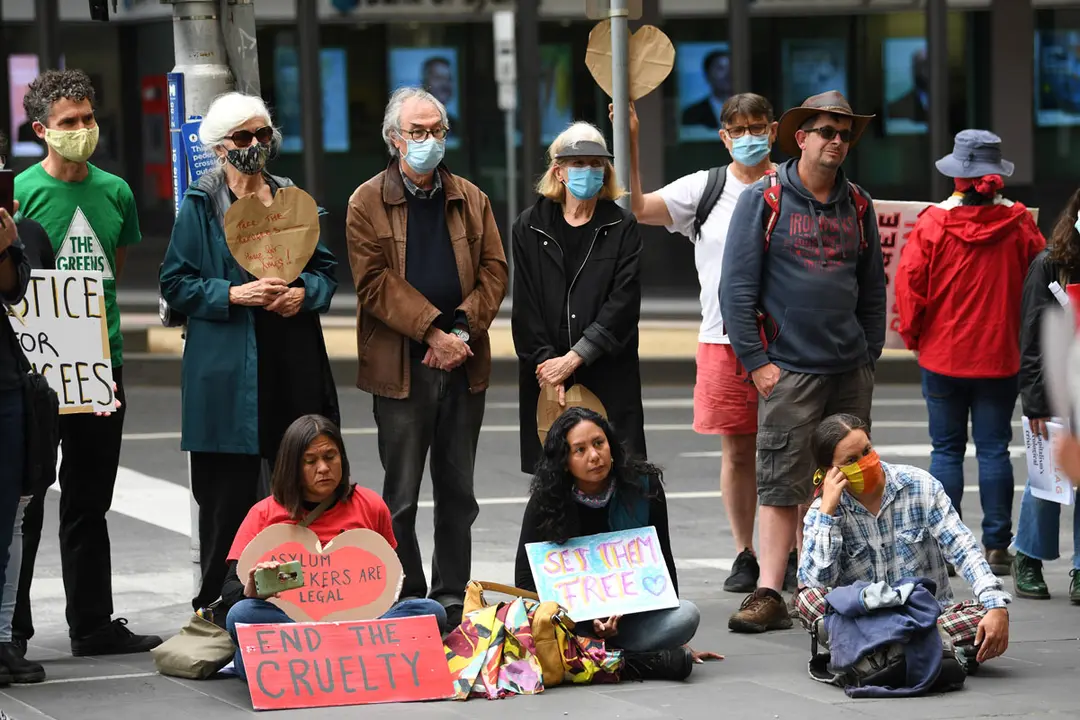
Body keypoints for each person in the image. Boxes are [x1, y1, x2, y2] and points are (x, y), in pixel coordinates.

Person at [160, 92, 341, 614]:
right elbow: (175, 282)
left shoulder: (290, 196)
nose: (256, 145)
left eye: (263, 134)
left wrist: (303, 293)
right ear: (220, 147)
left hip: (291, 356)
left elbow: (326, 271)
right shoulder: (201, 202)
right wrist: (233, 294)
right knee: (227, 495)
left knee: (304, 478)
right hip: (227, 368)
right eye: (244, 137)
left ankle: (305, 591)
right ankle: (218, 604)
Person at [614, 93, 795, 594]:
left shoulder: (794, 185)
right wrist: (630, 136)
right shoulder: (707, 188)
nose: (748, 137)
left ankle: (797, 549)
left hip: (790, 342)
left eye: (757, 127)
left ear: (774, 130)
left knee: (795, 451)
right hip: (722, 340)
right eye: (737, 130)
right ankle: (745, 551)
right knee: (738, 452)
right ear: (723, 136)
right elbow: (636, 207)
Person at [720, 90, 886, 633]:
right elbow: (736, 289)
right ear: (801, 138)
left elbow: (872, 290)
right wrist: (758, 363)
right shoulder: (765, 198)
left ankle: (836, 588)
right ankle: (770, 592)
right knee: (780, 482)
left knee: (851, 480)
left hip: (848, 369)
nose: (837, 140)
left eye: (844, 133)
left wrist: (869, 353)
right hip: (788, 369)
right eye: (826, 131)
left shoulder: (858, 203)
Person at [346, 87, 507, 629]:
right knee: (402, 496)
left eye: (437, 129)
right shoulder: (366, 201)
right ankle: (410, 594)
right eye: (418, 132)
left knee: (458, 492)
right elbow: (373, 283)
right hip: (402, 368)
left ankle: (453, 595)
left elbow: (494, 270)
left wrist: (459, 330)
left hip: (462, 362)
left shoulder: (471, 197)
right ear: (395, 139)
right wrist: (432, 332)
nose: (430, 141)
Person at [13, 68, 160, 656]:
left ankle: (92, 625)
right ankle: (12, 632)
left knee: (89, 499)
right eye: (69, 123)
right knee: (25, 500)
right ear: (41, 130)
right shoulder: (20, 193)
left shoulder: (117, 191)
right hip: (33, 371)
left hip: (102, 365)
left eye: (88, 119)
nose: (82, 130)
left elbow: (109, 275)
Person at [896, 130, 1044, 577]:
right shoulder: (1020, 224)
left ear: (957, 176)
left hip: (942, 355)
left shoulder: (932, 223)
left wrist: (915, 337)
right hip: (1001, 356)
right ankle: (998, 546)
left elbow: (909, 289)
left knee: (946, 451)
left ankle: (949, 545)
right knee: (995, 450)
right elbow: (1038, 284)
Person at [223, 414, 446, 679]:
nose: (323, 468)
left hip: (360, 626)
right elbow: (230, 591)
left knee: (431, 612)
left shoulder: (370, 505)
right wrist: (253, 590)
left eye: (330, 457)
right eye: (310, 461)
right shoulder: (264, 513)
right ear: (291, 467)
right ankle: (350, 659)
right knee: (242, 613)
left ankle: (304, 662)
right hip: (295, 628)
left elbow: (395, 583)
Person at [514, 406, 722, 678]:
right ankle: (638, 660)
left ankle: (604, 656)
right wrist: (586, 623)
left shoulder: (643, 486)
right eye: (580, 450)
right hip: (573, 624)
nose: (594, 455)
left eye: (599, 443)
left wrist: (675, 638)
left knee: (686, 615)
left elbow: (662, 564)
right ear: (565, 461)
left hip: (631, 619)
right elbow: (525, 579)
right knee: (536, 626)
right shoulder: (547, 499)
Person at [795, 413, 1011, 668]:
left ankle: (875, 650)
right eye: (852, 460)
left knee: (986, 616)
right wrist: (828, 513)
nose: (865, 462)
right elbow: (817, 582)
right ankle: (919, 648)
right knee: (807, 599)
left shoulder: (919, 485)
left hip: (925, 616)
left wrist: (995, 606)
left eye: (867, 451)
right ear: (830, 471)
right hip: (863, 617)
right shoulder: (824, 512)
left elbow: (963, 547)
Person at [512, 122, 645, 475]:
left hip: (608, 371)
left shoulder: (622, 225)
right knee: (556, 482)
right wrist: (549, 368)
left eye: (596, 163)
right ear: (558, 171)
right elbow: (525, 310)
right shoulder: (529, 226)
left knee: (615, 474)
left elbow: (623, 304)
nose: (589, 171)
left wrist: (574, 359)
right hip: (547, 379)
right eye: (579, 163)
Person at [1012, 188, 1080, 601]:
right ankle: (1028, 557)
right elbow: (1033, 338)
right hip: (1057, 389)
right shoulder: (1050, 265)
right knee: (1048, 481)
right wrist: (1036, 402)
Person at [681, 51, 732, 129]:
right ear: (708, 75)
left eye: (731, 68)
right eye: (721, 69)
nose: (728, 74)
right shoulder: (692, 114)